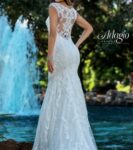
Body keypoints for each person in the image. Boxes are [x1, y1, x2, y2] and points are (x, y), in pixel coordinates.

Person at [32, 0, 98, 149]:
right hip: (71, 50)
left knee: (57, 89)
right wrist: (76, 45)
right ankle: (76, 137)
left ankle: (58, 139)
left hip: (60, 49)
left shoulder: (53, 7)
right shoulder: (72, 11)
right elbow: (89, 28)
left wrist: (49, 56)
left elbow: (53, 33)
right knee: (71, 89)